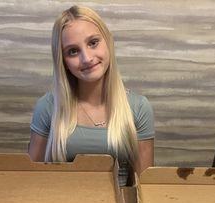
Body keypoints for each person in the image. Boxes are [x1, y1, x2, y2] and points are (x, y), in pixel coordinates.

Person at [28, 5, 154, 186]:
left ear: (108, 42)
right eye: (73, 51)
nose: (87, 58)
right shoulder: (48, 107)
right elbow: (30, 178)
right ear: (63, 61)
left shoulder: (139, 108)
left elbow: (143, 188)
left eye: (93, 42)